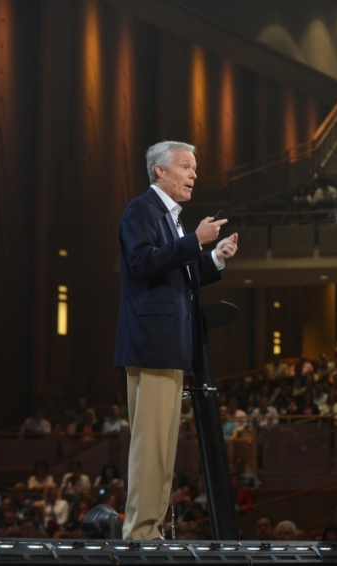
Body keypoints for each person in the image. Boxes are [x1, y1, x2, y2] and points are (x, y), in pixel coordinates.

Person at [114, 140, 238, 540]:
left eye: (195, 168)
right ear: (160, 172)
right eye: (186, 166)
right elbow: (142, 262)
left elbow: (179, 276)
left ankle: (150, 531)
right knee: (150, 447)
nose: (194, 174)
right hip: (152, 343)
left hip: (172, 346)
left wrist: (214, 257)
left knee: (164, 449)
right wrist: (193, 242)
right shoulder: (142, 209)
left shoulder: (174, 219)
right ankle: (139, 534)